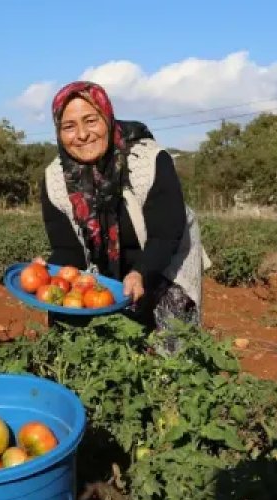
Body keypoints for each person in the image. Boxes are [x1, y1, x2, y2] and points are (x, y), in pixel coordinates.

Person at [38, 81, 210, 345]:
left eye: (91, 121)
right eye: (69, 126)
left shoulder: (149, 161)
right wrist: (51, 272)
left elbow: (165, 235)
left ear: (107, 118)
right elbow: (68, 249)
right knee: (79, 335)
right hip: (104, 265)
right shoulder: (55, 180)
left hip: (165, 258)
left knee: (174, 346)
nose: (82, 134)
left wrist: (141, 272)